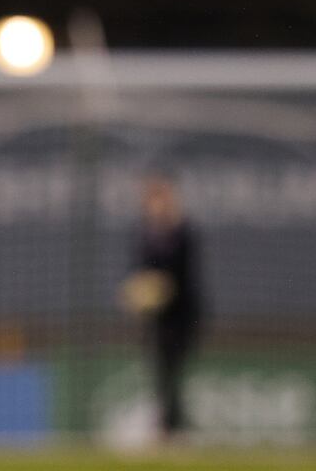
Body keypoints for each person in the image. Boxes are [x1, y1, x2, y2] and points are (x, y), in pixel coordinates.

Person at [128, 173, 203, 439]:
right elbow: (138, 271)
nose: (156, 206)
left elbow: (185, 275)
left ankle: (174, 427)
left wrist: (162, 289)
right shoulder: (144, 233)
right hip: (156, 316)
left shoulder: (182, 232)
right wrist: (138, 293)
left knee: (174, 370)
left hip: (181, 313)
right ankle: (164, 427)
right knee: (159, 371)